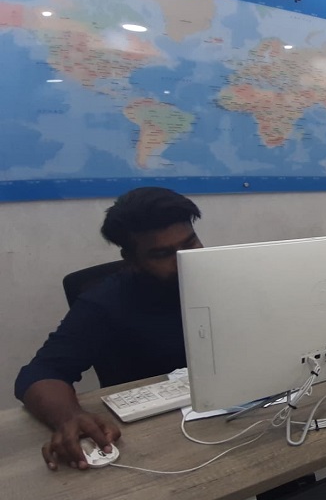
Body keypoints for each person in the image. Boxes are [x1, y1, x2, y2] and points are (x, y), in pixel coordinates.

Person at [14, 187, 203, 470]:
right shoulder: (104, 303)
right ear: (132, 258)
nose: (183, 261)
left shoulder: (222, 276)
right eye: (162, 254)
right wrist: (69, 417)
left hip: (236, 411)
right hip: (155, 440)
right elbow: (41, 373)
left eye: (190, 243)